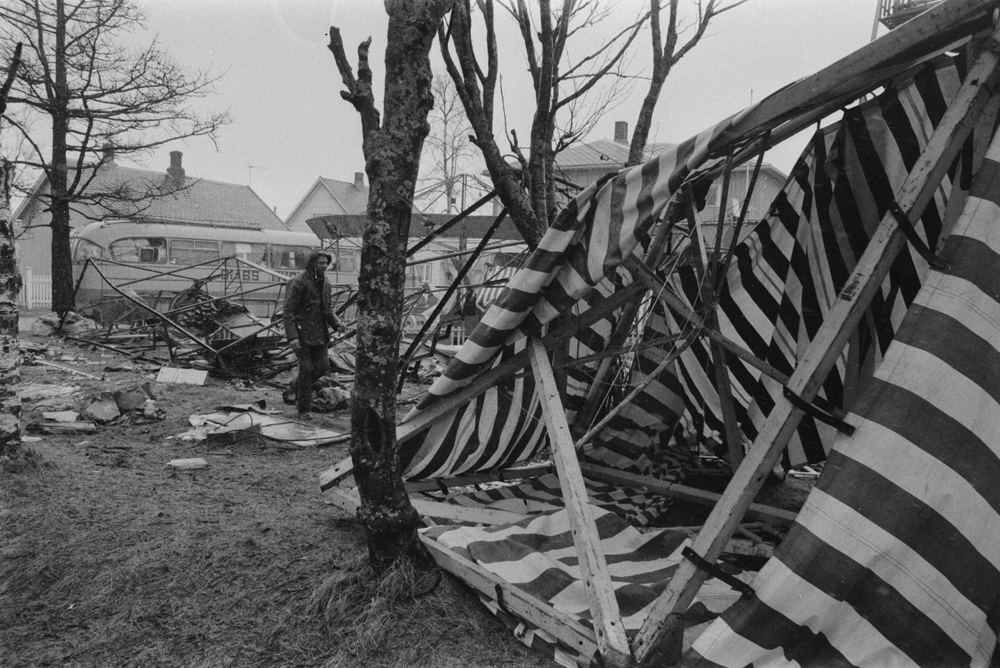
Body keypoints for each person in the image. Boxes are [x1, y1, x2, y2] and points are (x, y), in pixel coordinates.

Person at [282, 249, 343, 419]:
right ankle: (303, 409)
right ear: (312, 263)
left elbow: (327, 309)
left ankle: (296, 386)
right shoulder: (298, 282)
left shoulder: (326, 283)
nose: (325, 266)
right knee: (306, 369)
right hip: (301, 335)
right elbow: (288, 312)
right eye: (321, 263)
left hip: (319, 334)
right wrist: (292, 337)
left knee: (323, 367)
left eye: (326, 263)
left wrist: (337, 324)